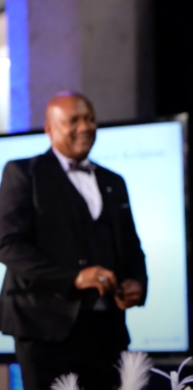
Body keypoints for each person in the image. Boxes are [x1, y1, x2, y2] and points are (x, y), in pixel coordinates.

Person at [0, 92, 148, 390]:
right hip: (45, 329)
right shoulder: (24, 174)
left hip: (106, 329)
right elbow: (8, 244)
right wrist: (75, 277)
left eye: (90, 118)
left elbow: (131, 245)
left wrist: (138, 282)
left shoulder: (113, 181)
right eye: (74, 120)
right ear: (49, 128)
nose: (85, 126)